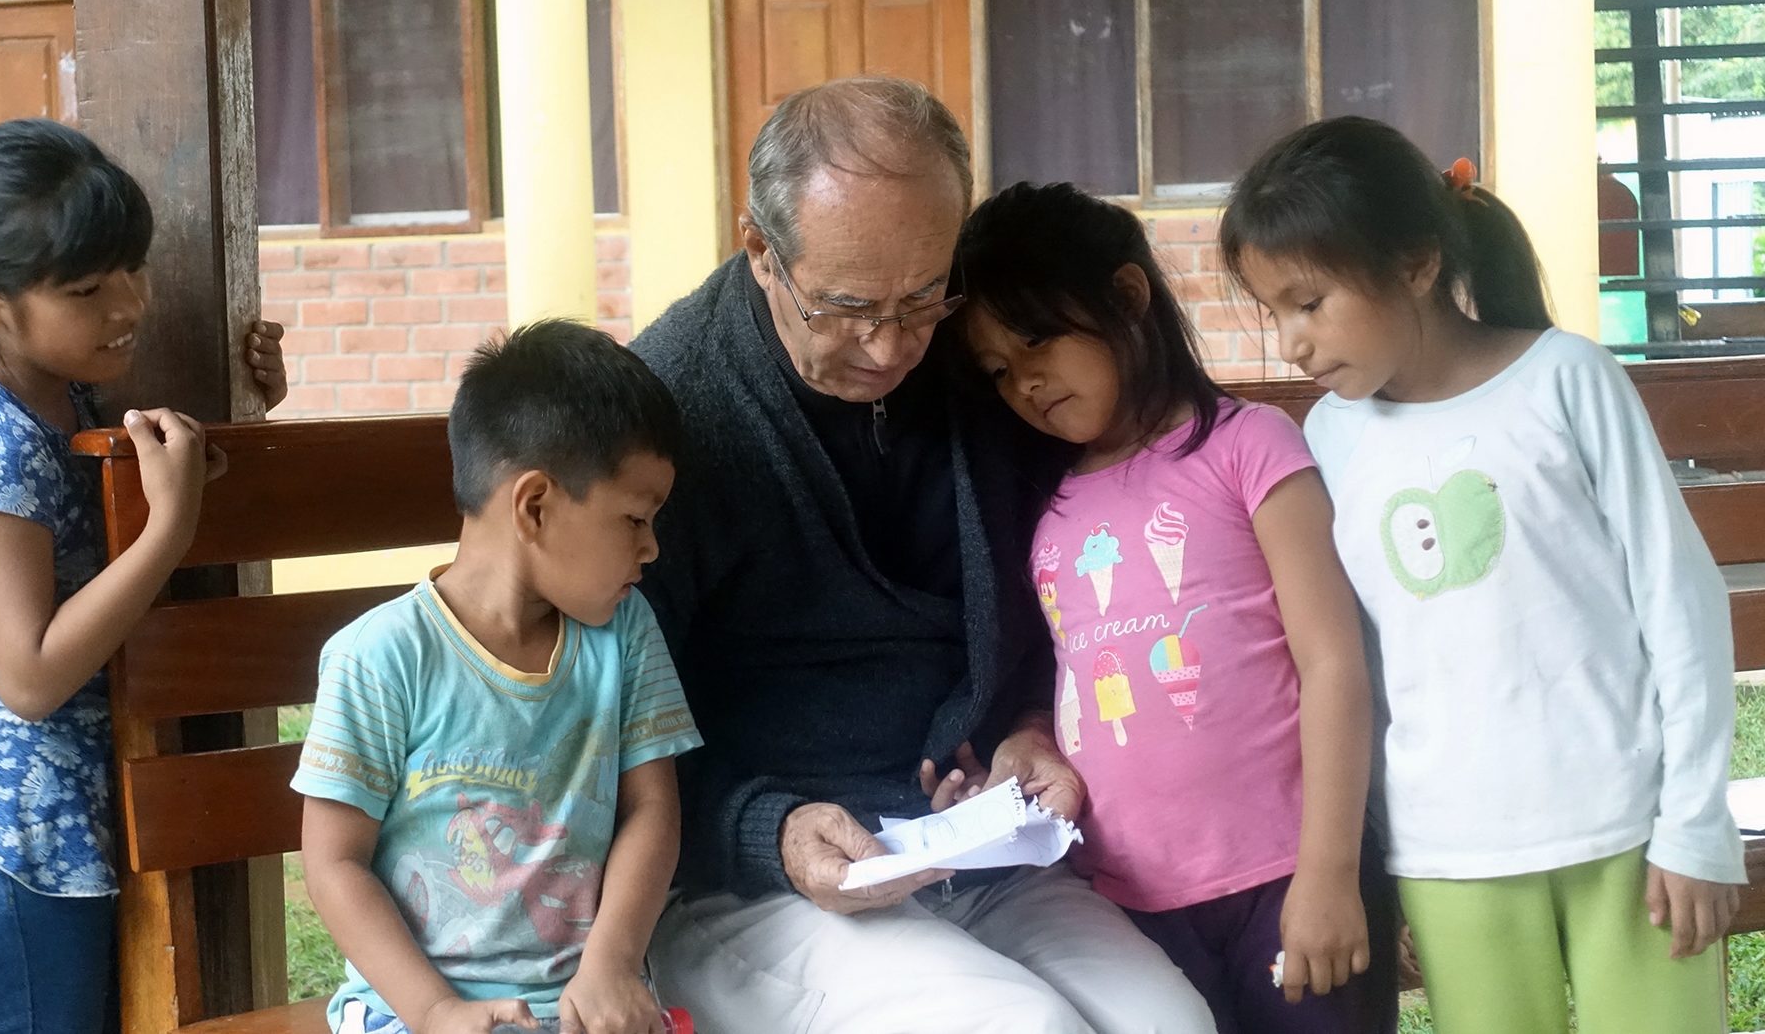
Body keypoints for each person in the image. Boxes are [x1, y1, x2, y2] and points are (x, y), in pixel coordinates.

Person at [632, 77, 1213, 1033]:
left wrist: (1028, 722)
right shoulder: (672, 409)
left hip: (966, 839)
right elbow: (600, 723)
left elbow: (1048, 586)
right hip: (745, 882)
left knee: (1171, 1026)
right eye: (850, 305)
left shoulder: (970, 349)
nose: (891, 345)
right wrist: (765, 831)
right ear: (760, 251)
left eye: (922, 299)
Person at [1219, 115, 1746, 1034]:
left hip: (1626, 830)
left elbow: (1679, 599)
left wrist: (1693, 821)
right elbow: (1342, 662)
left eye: (1308, 302)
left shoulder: (1566, 382)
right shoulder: (1330, 440)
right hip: (1450, 853)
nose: (1291, 343)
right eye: (1273, 313)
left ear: (1417, 264)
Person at [0, 118, 288, 1032]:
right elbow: (31, 676)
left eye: (133, 269)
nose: (128, 305)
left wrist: (247, 405)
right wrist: (167, 531)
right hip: (5, 850)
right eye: (87, 287)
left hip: (46, 840)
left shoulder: (59, 396)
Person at [942, 180, 1396, 1033]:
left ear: (1126, 296)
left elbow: (1334, 662)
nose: (1025, 383)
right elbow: (1075, 675)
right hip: (1131, 904)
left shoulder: (1248, 446)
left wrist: (1330, 873)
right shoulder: (1044, 509)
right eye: (999, 370)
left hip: (1290, 877)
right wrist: (1028, 742)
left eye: (1038, 340)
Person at [293, 320, 703, 1034]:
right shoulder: (381, 658)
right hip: (414, 1012)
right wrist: (437, 1010)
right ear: (535, 505)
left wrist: (610, 961)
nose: (652, 547)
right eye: (635, 519)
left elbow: (651, 811)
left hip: (589, 1005)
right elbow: (334, 864)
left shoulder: (626, 634)